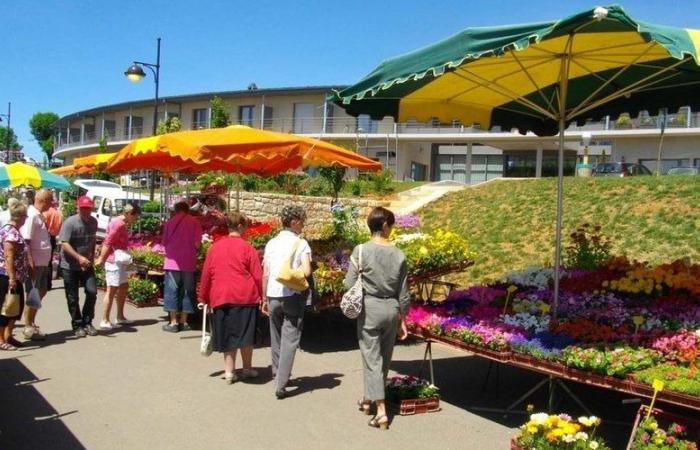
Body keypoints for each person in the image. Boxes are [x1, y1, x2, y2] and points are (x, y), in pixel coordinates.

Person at [344, 207, 409, 430]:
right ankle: (367, 400)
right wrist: (403, 319)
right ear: (384, 226)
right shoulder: (399, 254)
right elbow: (404, 292)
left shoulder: (360, 250)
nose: (392, 229)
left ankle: (380, 411)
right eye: (391, 225)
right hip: (391, 309)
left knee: (371, 358)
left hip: (369, 308)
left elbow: (348, 283)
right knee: (384, 358)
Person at [199, 212, 263, 384]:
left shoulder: (214, 248)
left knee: (228, 334)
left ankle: (229, 371)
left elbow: (206, 275)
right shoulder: (248, 248)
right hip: (245, 296)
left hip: (221, 296)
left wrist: (202, 297)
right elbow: (257, 275)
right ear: (240, 226)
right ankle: (247, 368)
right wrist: (262, 295)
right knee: (246, 334)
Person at [261, 205, 312, 399]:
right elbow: (306, 272)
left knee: (275, 336)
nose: (303, 225)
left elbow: (265, 273)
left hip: (273, 295)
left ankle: (277, 373)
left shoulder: (271, 243)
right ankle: (281, 383)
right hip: (293, 295)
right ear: (294, 222)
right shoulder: (301, 244)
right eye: (302, 221)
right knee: (290, 339)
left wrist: (264, 297)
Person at [95, 203, 141, 329]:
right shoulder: (118, 224)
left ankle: (120, 316)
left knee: (124, 286)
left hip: (119, 260)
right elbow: (108, 242)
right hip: (114, 260)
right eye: (135, 217)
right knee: (112, 289)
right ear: (129, 214)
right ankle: (105, 319)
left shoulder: (119, 222)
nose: (135, 220)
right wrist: (101, 259)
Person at [59, 195, 99, 338]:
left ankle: (87, 322)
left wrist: (91, 257)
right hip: (70, 265)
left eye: (88, 208)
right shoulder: (70, 223)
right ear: (78, 208)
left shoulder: (94, 222)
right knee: (72, 297)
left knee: (92, 292)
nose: (86, 211)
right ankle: (77, 324)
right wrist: (79, 258)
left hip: (86, 264)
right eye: (83, 208)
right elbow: (64, 243)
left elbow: (93, 239)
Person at [161, 201, 202, 332]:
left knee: (171, 290)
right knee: (187, 291)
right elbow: (197, 245)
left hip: (172, 262)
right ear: (188, 210)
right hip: (189, 261)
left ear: (176, 210)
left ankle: (173, 322)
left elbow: (164, 243)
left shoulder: (169, 223)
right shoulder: (195, 223)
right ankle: (184, 321)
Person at [20, 189, 54, 341]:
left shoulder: (38, 215)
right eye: (50, 200)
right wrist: (30, 261)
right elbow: (26, 240)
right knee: (33, 293)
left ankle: (31, 322)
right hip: (36, 262)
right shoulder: (32, 215)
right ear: (43, 200)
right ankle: (28, 326)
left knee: (41, 290)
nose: (52, 203)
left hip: (42, 261)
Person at [0, 199, 29, 351]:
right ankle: (1, 339)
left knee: (15, 308)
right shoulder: (10, 232)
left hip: (16, 276)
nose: (26, 219)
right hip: (7, 276)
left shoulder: (15, 231)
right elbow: (9, 256)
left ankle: (8, 336)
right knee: (6, 308)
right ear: (20, 217)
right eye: (25, 216)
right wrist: (11, 278)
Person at [43, 195, 63, 290]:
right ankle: (48, 284)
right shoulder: (58, 214)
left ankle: (42, 282)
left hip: (45, 236)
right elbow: (59, 228)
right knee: (50, 261)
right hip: (53, 237)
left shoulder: (45, 213)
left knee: (43, 261)